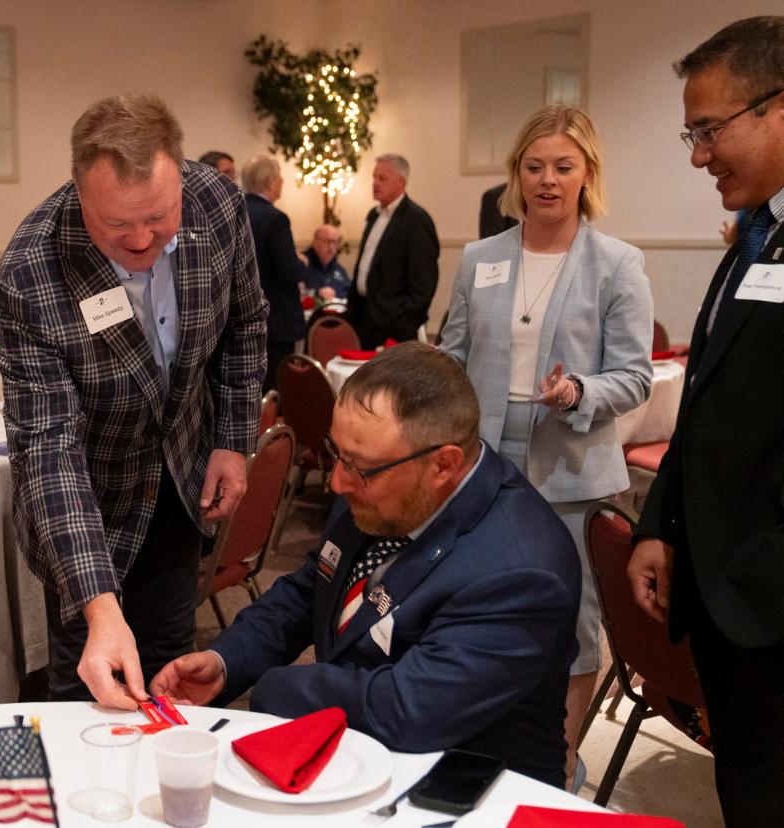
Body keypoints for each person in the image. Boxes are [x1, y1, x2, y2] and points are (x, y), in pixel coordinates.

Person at [151, 342, 579, 787]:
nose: (337, 482)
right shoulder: (383, 488)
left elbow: (408, 711)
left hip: (462, 793)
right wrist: (224, 662)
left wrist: (274, 686)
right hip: (357, 761)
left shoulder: (522, 571)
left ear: (443, 465)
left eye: (357, 467)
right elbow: (310, 591)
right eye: (336, 455)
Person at [0, 94, 267, 709]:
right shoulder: (31, 272)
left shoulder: (218, 204)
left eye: (159, 218)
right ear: (78, 193)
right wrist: (99, 607)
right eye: (117, 226)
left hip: (179, 483)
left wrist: (233, 439)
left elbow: (246, 324)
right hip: (85, 498)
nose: (142, 239)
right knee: (88, 683)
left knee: (171, 666)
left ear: (181, 181)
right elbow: (48, 449)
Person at [439, 104, 652, 789]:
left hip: (573, 476)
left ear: (587, 173)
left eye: (563, 166)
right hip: (485, 475)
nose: (548, 180)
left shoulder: (617, 264)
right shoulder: (481, 259)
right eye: (535, 166)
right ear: (517, 174)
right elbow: (453, 356)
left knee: (576, 622)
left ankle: (554, 762)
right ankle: (488, 735)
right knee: (476, 607)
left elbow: (635, 375)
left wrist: (580, 392)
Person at [628, 17, 784, 826]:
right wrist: (662, 521)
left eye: (710, 130)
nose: (697, 155)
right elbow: (710, 403)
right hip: (728, 604)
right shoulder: (754, 239)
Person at [347, 154, 439, 348]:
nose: (375, 183)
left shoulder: (416, 220)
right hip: (365, 318)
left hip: (394, 326)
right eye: (374, 177)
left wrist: (404, 322)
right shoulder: (374, 215)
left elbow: (424, 283)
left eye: (382, 178)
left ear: (401, 182)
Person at [243, 154, 308, 391]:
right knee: (275, 386)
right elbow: (288, 271)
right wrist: (303, 263)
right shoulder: (275, 219)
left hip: (243, 314)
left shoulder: (236, 212)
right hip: (276, 317)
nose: (282, 182)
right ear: (270, 182)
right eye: (280, 177)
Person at [304, 223, 351, 300]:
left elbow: (350, 292)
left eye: (335, 242)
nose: (331, 246)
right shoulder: (302, 265)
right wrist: (317, 293)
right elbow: (294, 294)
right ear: (314, 241)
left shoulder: (339, 269)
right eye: (328, 241)